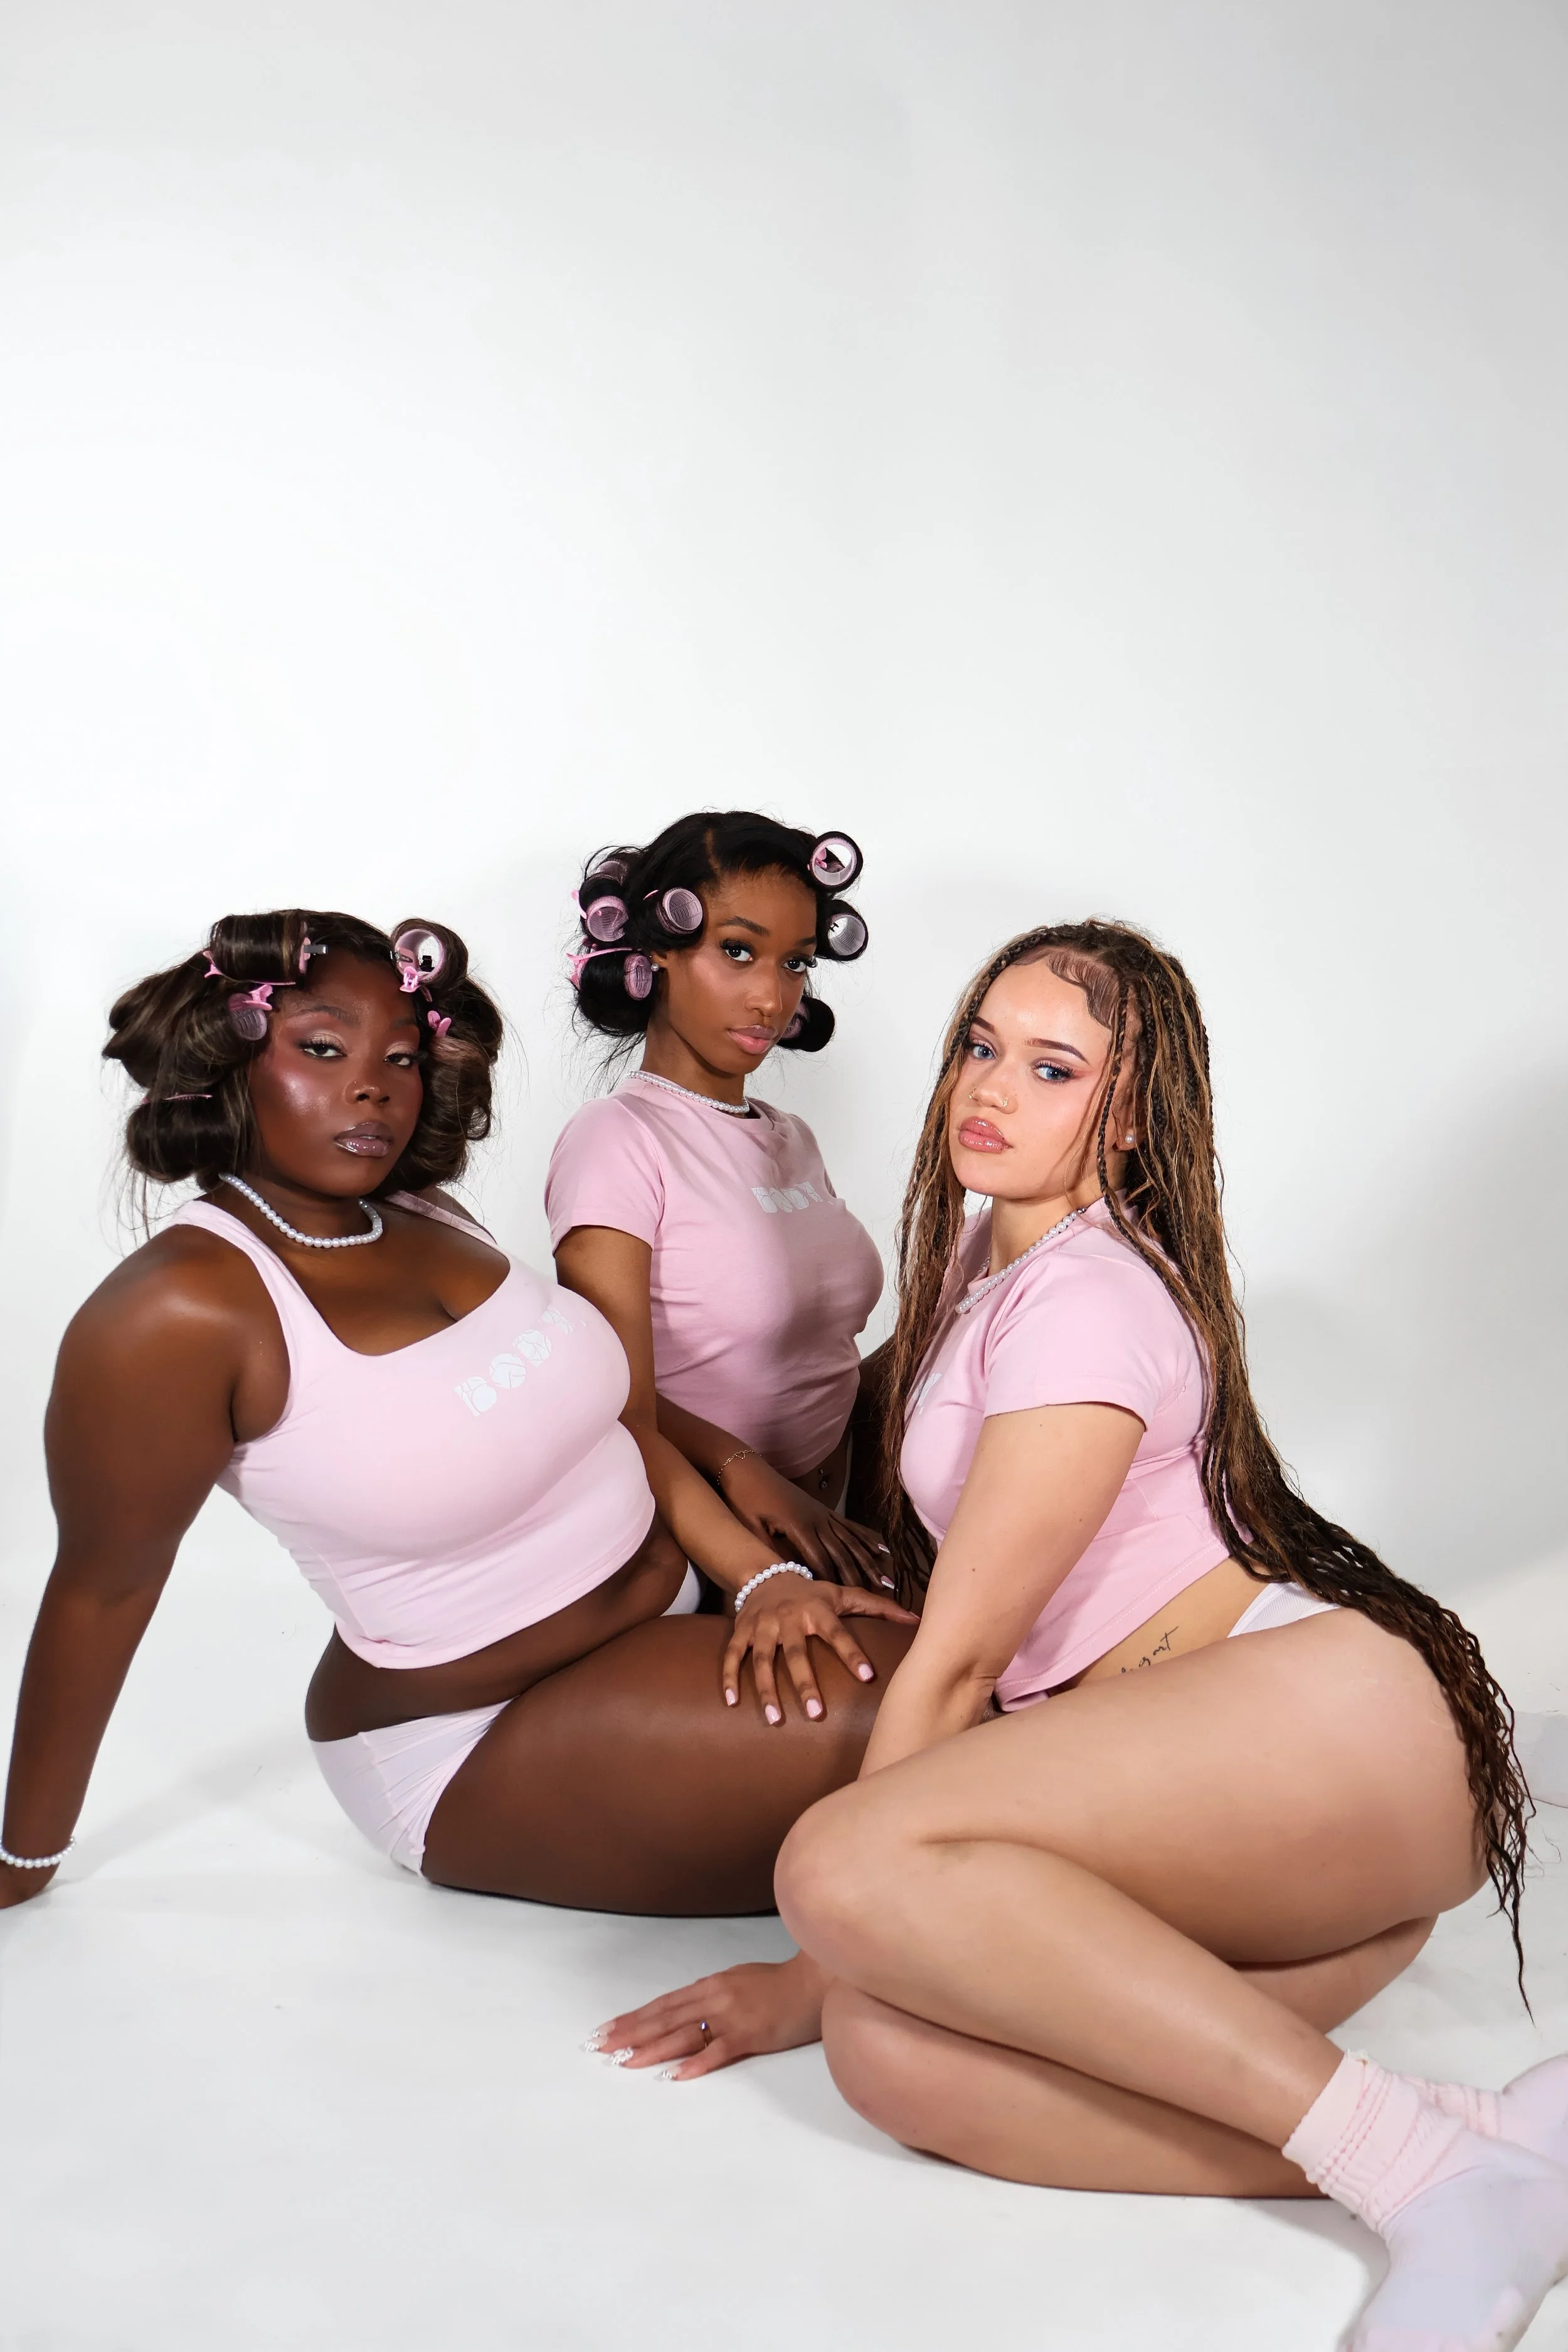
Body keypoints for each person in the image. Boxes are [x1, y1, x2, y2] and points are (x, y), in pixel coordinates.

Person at [591, 920, 1565, 2352]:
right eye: (981, 1047)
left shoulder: (1089, 1298)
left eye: (1053, 1068)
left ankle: (1431, 2185)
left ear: (1131, 1113)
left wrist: (811, 1960)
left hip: (1333, 1741)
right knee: (891, 2056)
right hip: (1244, 1814)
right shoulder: (991, 1253)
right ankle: (1473, 2141)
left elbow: (963, 1662)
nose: (990, 1088)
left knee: (839, 1870)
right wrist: (721, 1467)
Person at [0, 909, 911, 1924]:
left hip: (680, 1599)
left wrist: (752, 1532)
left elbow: (601, 1409)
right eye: (322, 1048)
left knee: (972, 1671)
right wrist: (22, 1854)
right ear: (229, 1059)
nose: (373, 1087)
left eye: (401, 1056)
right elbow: (102, 1590)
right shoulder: (177, 1311)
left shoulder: (423, 1210)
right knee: (921, 1724)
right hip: (478, 1729)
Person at [549, 811, 896, 1714]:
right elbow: (609, 1405)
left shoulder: (792, 1137)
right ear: (656, 953)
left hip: (841, 1523)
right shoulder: (618, 1140)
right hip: (710, 1552)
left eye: (796, 962)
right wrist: (753, 1532)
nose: (772, 997)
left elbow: (825, 1357)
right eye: (738, 952)